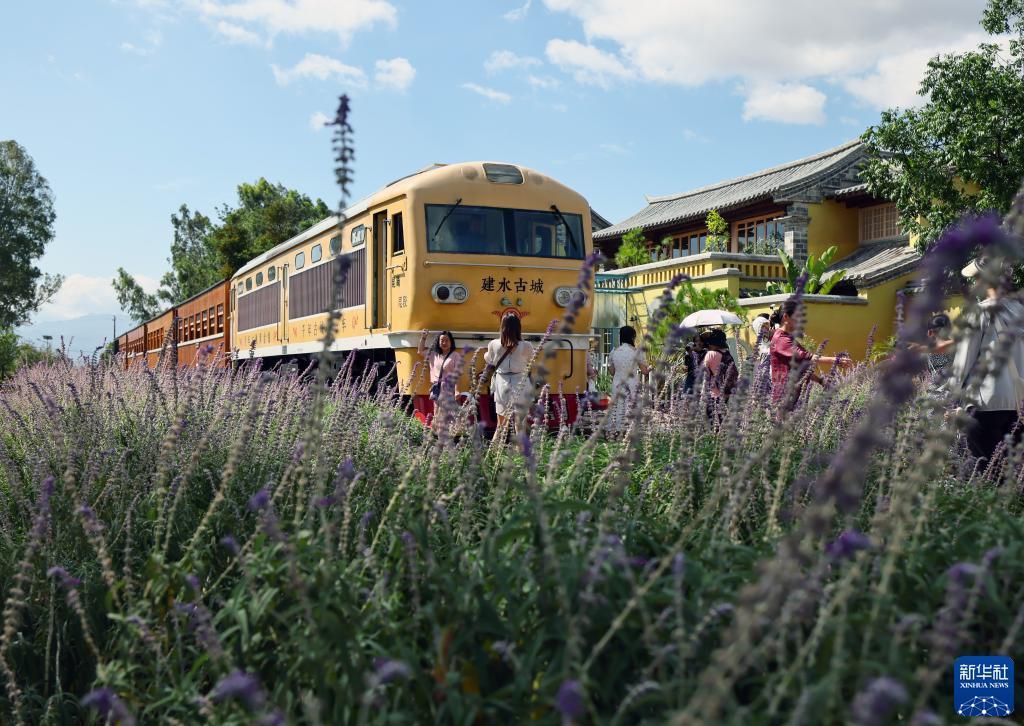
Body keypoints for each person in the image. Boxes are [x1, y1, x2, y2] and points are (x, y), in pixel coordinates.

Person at [941, 257, 1024, 462]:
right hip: (1019, 407)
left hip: (985, 405)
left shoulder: (980, 312)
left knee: (985, 474)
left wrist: (950, 400)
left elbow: (963, 362)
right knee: (1014, 476)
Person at [769, 299, 851, 408]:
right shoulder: (781, 339)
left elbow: (800, 367)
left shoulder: (788, 337)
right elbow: (807, 357)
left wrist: (821, 381)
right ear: (785, 317)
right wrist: (836, 360)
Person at [484, 313, 535, 433]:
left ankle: (495, 451)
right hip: (521, 383)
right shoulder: (527, 345)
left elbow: (490, 359)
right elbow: (531, 361)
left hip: (502, 383)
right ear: (518, 327)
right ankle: (520, 450)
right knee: (520, 425)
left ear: (502, 326)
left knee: (501, 426)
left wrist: (485, 355)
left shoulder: (494, 344)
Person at [608, 325, 651, 432]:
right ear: (633, 337)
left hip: (617, 383)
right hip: (632, 383)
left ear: (621, 337)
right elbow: (645, 371)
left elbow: (612, 372)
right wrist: (650, 367)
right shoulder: (637, 352)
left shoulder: (614, 352)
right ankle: (632, 431)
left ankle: (617, 430)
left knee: (618, 407)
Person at [418, 330, 460, 400]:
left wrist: (457, 390)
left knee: (447, 410)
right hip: (437, 388)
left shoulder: (455, 355)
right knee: (437, 410)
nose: (444, 343)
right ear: (438, 342)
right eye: (442, 340)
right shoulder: (433, 354)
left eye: (447, 340)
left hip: (449, 389)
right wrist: (423, 338)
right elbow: (420, 351)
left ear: (451, 342)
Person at [699, 328, 738, 403]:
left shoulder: (711, 354)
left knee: (712, 414)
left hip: (714, 394)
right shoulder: (727, 353)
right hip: (726, 393)